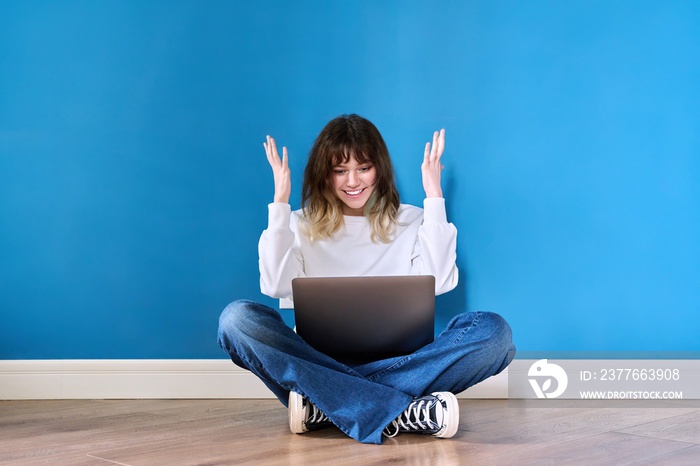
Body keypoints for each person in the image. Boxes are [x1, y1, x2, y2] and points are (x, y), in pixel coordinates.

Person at [217, 114, 514, 445]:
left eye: (363, 168)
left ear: (380, 169)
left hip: (403, 360)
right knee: (236, 319)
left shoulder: (414, 219)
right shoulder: (298, 223)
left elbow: (441, 281)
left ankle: (327, 404)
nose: (352, 181)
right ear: (324, 175)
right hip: (321, 359)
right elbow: (275, 286)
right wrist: (280, 205)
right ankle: (405, 409)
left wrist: (434, 197)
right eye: (339, 171)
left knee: (495, 333)